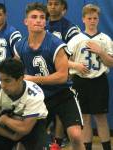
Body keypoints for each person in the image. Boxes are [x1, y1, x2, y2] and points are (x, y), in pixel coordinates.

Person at [14, 2, 85, 150]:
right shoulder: (20, 46)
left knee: (76, 135)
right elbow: (16, 71)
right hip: (38, 97)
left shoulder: (55, 44)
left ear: (45, 22)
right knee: (24, 138)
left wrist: (32, 79)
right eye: (34, 17)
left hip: (62, 94)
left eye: (42, 17)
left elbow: (62, 76)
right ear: (26, 21)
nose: (39, 20)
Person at [0, 58, 48, 150]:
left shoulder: (35, 94)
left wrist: (5, 119)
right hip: (5, 128)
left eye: (7, 81)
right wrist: (11, 136)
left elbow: (25, 128)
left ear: (20, 78)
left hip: (33, 126)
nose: (3, 85)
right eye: (1, 80)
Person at [68, 4, 113, 150]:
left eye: (95, 18)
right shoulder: (76, 39)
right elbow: (63, 61)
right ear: (83, 19)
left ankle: (106, 147)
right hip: (80, 81)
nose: (92, 21)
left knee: (101, 117)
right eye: (89, 18)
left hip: (99, 81)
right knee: (85, 118)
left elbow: (111, 63)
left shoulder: (105, 39)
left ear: (98, 19)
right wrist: (76, 66)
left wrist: (101, 52)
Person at [46, 0, 81, 148]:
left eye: (56, 4)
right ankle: (46, 138)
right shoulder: (42, 25)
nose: (52, 7)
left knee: (61, 110)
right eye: (50, 3)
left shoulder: (71, 28)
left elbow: (75, 55)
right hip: (45, 75)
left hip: (64, 75)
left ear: (64, 8)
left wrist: (68, 71)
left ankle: (58, 140)